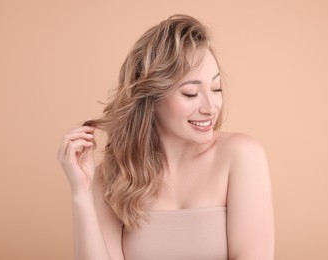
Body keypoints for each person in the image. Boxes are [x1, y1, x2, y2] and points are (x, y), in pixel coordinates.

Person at [57, 14, 274, 260]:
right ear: (151, 99)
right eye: (191, 93)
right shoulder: (113, 176)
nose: (211, 106)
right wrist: (81, 192)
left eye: (216, 89)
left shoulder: (241, 155)